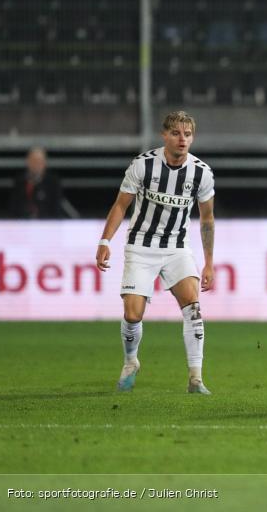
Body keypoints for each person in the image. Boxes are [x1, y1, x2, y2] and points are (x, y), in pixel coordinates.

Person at [95, 111, 216, 394]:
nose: (182, 139)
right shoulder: (143, 166)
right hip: (141, 246)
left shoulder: (201, 172)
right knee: (133, 313)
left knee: (193, 307)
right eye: (176, 133)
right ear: (165, 135)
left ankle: (196, 378)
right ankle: (130, 362)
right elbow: (120, 205)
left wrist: (208, 263)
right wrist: (104, 241)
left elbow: (207, 218)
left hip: (176, 248)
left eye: (187, 134)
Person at [8, 146, 64, 219]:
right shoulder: (20, 180)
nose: (36, 164)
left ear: (44, 163)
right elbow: (14, 205)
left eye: (39, 161)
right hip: (23, 222)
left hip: (46, 222)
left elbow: (56, 206)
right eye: (34, 161)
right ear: (28, 162)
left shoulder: (53, 181)